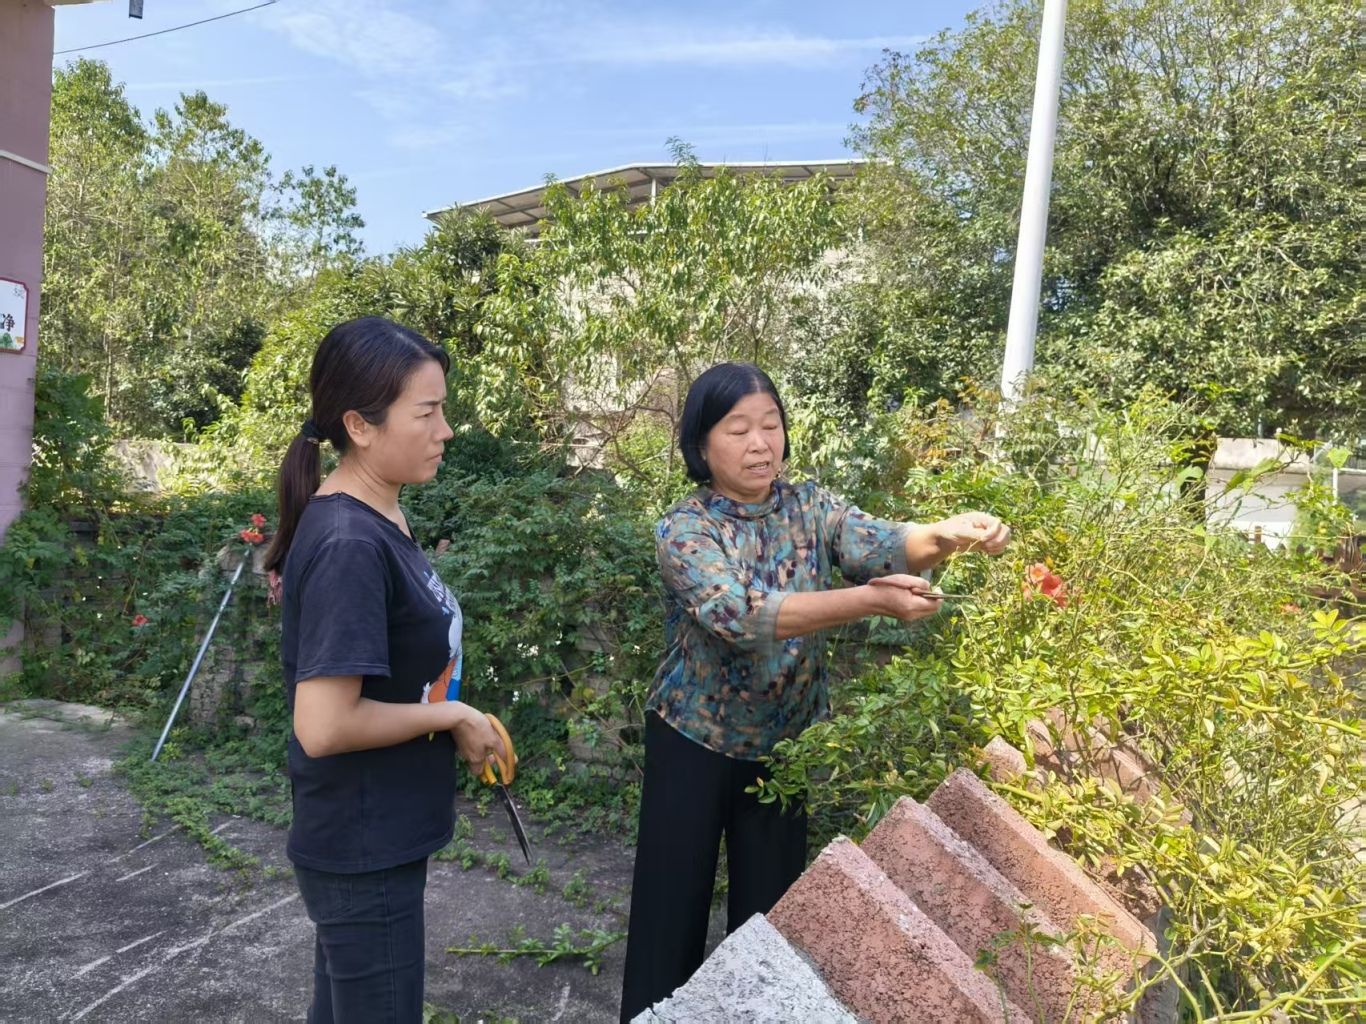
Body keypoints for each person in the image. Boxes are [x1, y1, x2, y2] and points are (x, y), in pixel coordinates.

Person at [618, 362, 1011, 1022]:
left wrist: (945, 533)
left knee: (770, 926)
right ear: (701, 444)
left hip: (783, 752)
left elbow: (879, 542)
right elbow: (737, 615)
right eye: (737, 429)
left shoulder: (810, 508)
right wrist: (866, 602)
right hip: (693, 742)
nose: (758, 443)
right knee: (669, 919)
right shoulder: (684, 529)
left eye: (770, 425)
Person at [263, 316, 505, 1024]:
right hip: (362, 846)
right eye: (427, 413)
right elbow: (324, 724)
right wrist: (454, 716)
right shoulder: (347, 541)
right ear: (360, 426)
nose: (446, 430)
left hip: (375, 837)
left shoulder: (381, 515)